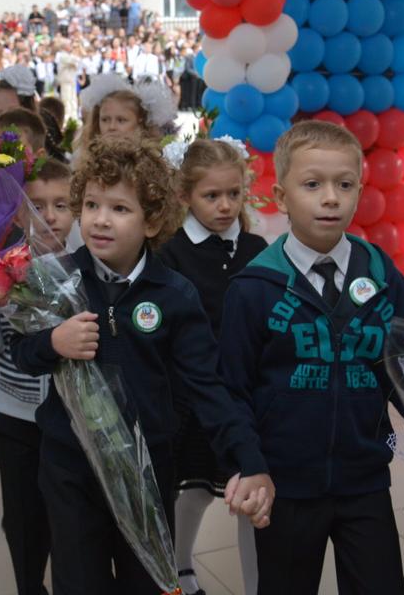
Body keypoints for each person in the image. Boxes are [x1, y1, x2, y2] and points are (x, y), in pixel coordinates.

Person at [11, 137, 273, 595]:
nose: (100, 219)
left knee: (147, 580)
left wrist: (247, 460)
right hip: (72, 469)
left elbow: (209, 386)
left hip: (147, 469)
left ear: (152, 221)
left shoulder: (174, 293)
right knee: (78, 581)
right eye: (91, 204)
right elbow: (21, 355)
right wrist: (53, 341)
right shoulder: (57, 280)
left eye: (119, 208)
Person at [219, 121, 404, 595]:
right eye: (313, 184)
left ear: (359, 190)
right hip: (284, 483)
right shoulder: (255, 288)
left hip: (364, 477)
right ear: (281, 195)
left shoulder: (383, 278)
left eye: (344, 184)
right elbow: (232, 389)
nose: (331, 197)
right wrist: (249, 463)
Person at [157, 139, 268, 595]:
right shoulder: (170, 253)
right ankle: (180, 567)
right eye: (211, 196)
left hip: (248, 394)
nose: (225, 206)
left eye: (234, 194)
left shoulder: (258, 247)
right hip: (194, 396)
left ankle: (259, 583)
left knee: (252, 492)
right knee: (197, 488)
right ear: (185, 196)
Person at [0, 156, 71, 595]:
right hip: (16, 415)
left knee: (68, 514)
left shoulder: (93, 262)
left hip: (72, 418)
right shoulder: (1, 268)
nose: (49, 216)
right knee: (22, 518)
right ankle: (30, 586)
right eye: (38, 204)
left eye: (62, 204)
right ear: (20, 211)